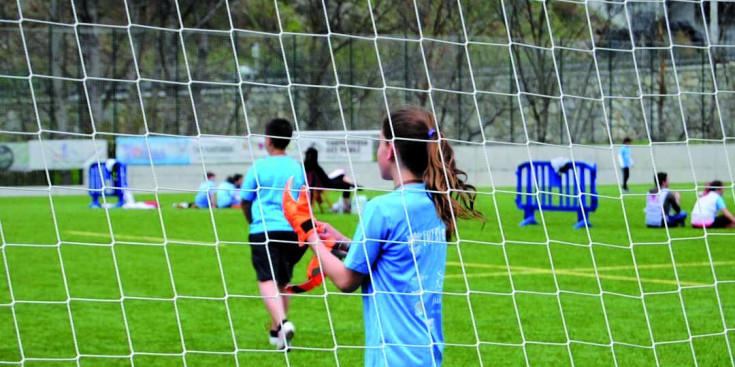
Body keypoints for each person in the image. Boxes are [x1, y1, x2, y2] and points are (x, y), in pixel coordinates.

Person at [281, 108, 485, 366]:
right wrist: (342, 242)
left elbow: (346, 281)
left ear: (389, 150)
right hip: (428, 351)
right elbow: (394, 255)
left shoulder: (382, 208)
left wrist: (307, 231)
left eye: (379, 142)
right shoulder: (435, 201)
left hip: (392, 356)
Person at [240, 118, 308, 350]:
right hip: (292, 231)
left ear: (268, 141)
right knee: (283, 281)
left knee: (266, 279)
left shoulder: (258, 167)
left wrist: (254, 222)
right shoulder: (296, 168)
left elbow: (245, 200)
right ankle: (277, 333)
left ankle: (283, 323)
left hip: (264, 231)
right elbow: (302, 199)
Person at [303, 146, 356, 214]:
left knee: (342, 177)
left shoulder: (306, 166)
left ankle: (354, 186)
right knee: (346, 184)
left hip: (324, 182)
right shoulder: (316, 167)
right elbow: (325, 179)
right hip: (327, 183)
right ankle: (347, 207)